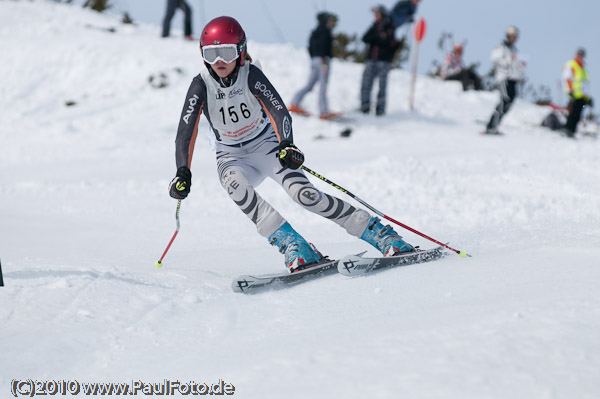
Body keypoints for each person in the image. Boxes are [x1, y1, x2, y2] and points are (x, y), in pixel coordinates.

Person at [168, 16, 416, 273]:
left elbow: (279, 111)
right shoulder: (200, 85)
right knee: (237, 189)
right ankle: (295, 246)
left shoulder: (250, 74)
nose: (219, 61)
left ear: (240, 51)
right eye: (211, 53)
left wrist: (287, 144)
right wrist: (182, 171)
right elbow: (185, 132)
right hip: (231, 155)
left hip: (266, 146)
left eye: (226, 52)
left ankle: (378, 233)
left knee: (305, 195)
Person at [288, 12, 340, 120]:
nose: (331, 22)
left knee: (310, 84)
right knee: (323, 86)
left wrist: (314, 57)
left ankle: (295, 103)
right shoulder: (326, 31)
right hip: (323, 61)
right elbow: (326, 47)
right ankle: (323, 111)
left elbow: (310, 47)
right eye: (329, 20)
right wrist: (324, 58)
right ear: (325, 20)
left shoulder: (314, 32)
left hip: (314, 60)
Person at [483, 26, 526, 135]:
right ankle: (491, 126)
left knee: (510, 102)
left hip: (513, 79)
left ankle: (496, 125)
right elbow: (495, 60)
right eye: (512, 36)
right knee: (504, 101)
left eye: (515, 37)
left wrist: (521, 65)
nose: (514, 39)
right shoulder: (500, 47)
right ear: (508, 36)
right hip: (504, 79)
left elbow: (515, 65)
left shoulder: (515, 49)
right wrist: (509, 60)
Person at [360, 5, 399, 116]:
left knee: (382, 86)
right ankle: (365, 106)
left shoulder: (390, 27)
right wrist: (378, 37)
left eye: (377, 14)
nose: (375, 16)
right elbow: (365, 38)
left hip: (384, 61)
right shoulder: (374, 27)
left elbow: (388, 42)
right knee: (366, 83)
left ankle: (380, 109)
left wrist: (377, 38)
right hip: (371, 59)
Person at [562, 48, 593, 137]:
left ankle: (572, 131)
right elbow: (567, 78)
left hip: (583, 96)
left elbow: (585, 84)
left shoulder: (583, 68)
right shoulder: (572, 64)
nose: (581, 56)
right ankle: (567, 129)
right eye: (580, 54)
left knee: (578, 114)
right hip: (575, 94)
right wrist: (570, 90)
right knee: (573, 113)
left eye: (582, 55)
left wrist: (588, 97)